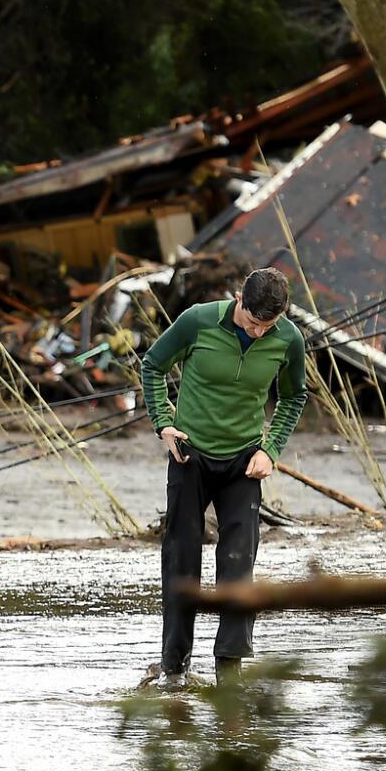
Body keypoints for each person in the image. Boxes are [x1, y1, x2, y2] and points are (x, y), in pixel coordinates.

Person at [138, 267, 308, 684]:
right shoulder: (198, 320)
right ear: (238, 299)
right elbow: (153, 366)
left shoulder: (288, 339)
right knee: (181, 560)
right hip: (189, 456)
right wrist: (164, 424)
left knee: (238, 563)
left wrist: (271, 449)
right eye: (252, 321)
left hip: (243, 461)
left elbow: (293, 395)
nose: (259, 330)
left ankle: (228, 672)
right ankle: (174, 668)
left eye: (268, 325)